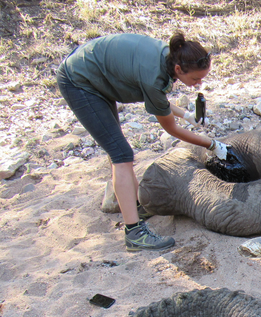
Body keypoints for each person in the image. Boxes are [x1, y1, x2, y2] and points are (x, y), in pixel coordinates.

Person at [56, 32, 230, 251]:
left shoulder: (170, 56)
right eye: (196, 79)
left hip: (95, 74)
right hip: (80, 82)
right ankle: (134, 233)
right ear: (179, 70)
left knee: (116, 147)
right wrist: (212, 144)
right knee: (121, 154)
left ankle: (126, 203)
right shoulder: (154, 76)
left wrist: (187, 116)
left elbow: (158, 100)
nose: (199, 83)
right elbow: (170, 128)